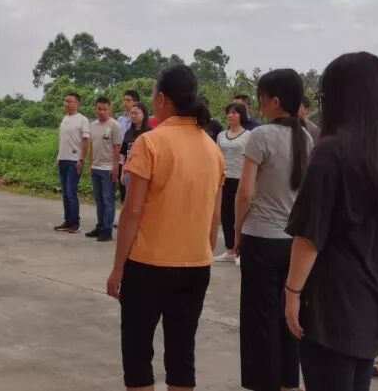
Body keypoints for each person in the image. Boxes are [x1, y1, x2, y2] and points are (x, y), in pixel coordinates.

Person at [282, 52, 378, 391]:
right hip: (374, 299)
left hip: (332, 303)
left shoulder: (330, 153)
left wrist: (292, 292)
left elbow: (309, 236)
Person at [106, 65, 225, 391]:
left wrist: (118, 268)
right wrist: (203, 253)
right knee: (182, 353)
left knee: (137, 352)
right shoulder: (212, 149)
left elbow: (132, 211)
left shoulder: (150, 143)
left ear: (160, 99)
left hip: (148, 265)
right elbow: (214, 216)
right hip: (196, 266)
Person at [234, 69, 313, 391]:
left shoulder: (261, 136)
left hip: (261, 238)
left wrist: (237, 230)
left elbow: (245, 192)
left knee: (260, 318)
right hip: (292, 241)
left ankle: (264, 382)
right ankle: (287, 382)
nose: (259, 103)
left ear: (275, 101)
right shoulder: (306, 138)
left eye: (262, 98)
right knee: (287, 315)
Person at [214, 102, 251, 264]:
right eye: (229, 112)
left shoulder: (249, 135)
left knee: (240, 215)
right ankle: (229, 249)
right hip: (224, 179)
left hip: (241, 179)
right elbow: (217, 156)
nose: (231, 115)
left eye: (235, 112)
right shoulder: (221, 135)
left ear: (242, 115)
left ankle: (241, 251)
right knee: (226, 215)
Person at [86, 96, 122, 243]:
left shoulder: (114, 125)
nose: (102, 112)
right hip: (96, 167)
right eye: (99, 109)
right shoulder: (92, 125)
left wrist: (115, 167)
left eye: (105, 109)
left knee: (108, 199)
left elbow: (117, 147)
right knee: (99, 199)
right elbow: (92, 146)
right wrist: (91, 165)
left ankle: (107, 230)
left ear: (110, 110)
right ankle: (100, 226)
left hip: (108, 168)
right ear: (95, 109)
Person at [55, 92, 89, 235]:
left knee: (71, 192)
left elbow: (86, 141)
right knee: (65, 193)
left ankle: (75, 223)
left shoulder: (82, 120)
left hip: (74, 160)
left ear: (77, 103)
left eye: (69, 101)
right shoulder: (65, 119)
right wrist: (59, 157)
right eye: (65, 101)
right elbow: (62, 140)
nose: (66, 103)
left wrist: (82, 159)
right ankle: (68, 220)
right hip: (63, 159)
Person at [118, 102, 152, 206]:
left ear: (144, 114)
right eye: (131, 113)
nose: (133, 116)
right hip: (129, 171)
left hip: (143, 172)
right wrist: (123, 173)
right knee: (129, 201)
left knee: (141, 202)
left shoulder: (150, 133)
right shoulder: (128, 133)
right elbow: (124, 154)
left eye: (136, 113)